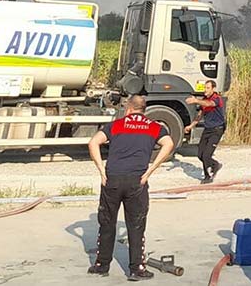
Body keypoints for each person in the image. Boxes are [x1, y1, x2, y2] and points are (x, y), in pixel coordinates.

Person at [87, 95, 174, 281]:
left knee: (107, 222)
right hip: (137, 180)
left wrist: (102, 170)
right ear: (144, 109)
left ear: (128, 109)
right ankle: (137, 269)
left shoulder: (116, 125)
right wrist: (151, 170)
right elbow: (169, 144)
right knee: (136, 225)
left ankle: (102, 265)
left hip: (113, 179)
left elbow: (93, 142)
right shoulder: (154, 127)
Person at [185, 83, 226, 184]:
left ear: (213, 89)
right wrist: (190, 126)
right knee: (200, 154)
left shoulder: (217, 98)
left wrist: (196, 100)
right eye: (205, 88)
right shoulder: (204, 100)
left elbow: (210, 104)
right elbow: (199, 116)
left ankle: (208, 176)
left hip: (217, 129)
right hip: (208, 129)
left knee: (206, 155)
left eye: (208, 88)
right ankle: (215, 164)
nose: (205, 90)